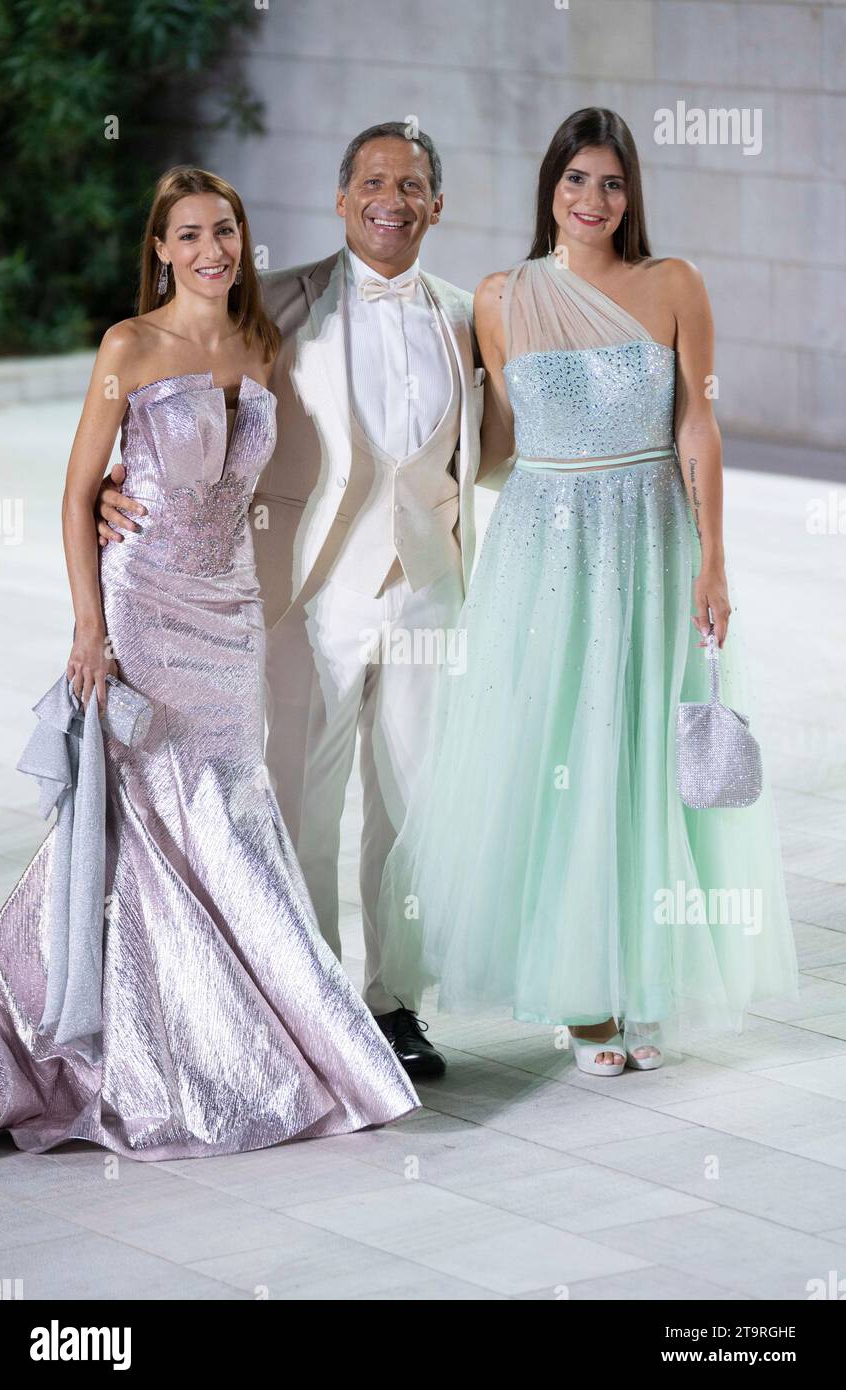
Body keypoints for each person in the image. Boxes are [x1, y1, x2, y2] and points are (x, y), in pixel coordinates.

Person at [0, 165, 419, 1161]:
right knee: (136, 817)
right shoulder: (128, 347)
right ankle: (109, 1038)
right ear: (160, 249)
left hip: (230, 614)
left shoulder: (263, 339)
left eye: (224, 229)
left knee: (226, 810)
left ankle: (245, 1032)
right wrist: (89, 625)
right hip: (141, 604)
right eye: (188, 234)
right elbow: (76, 490)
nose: (211, 249)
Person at [377, 107, 800, 1077]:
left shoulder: (671, 284)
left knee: (641, 756)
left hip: (651, 533)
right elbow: (492, 447)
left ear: (630, 194)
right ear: (548, 189)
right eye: (575, 181)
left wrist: (713, 556)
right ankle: (580, 995)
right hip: (544, 546)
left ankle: (640, 978)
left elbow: (698, 422)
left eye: (610, 183)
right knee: (561, 753)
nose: (592, 200)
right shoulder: (498, 296)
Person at [96, 124, 500, 1079]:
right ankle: (313, 996)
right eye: (370, 180)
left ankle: (396, 1004)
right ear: (340, 196)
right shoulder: (277, 302)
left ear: (437, 205)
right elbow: (171, 392)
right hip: (308, 593)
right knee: (303, 805)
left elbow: (509, 439)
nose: (389, 197)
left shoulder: (465, 313)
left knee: (415, 806)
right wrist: (122, 487)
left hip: (430, 588)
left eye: (410, 184)